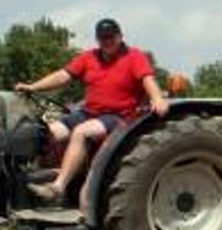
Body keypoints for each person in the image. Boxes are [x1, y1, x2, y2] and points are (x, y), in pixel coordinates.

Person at [16, 18, 169, 205]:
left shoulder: (133, 56)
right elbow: (63, 76)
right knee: (49, 131)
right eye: (103, 38)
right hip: (88, 112)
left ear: (120, 36)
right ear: (98, 39)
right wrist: (33, 87)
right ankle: (33, 177)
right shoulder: (89, 57)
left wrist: (157, 98)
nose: (107, 41)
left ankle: (57, 188)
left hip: (119, 117)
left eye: (111, 37)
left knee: (82, 132)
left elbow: (147, 79)